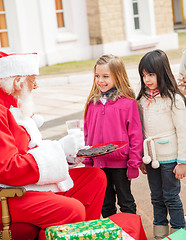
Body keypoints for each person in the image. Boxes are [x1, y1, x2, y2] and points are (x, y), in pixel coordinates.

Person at [0, 51, 107, 240]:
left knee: (95, 178)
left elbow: (30, 151)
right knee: (72, 210)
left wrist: (66, 157)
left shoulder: (15, 109)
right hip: (8, 193)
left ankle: (85, 236)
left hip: (24, 185)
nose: (35, 86)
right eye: (32, 81)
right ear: (17, 82)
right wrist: (59, 149)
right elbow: (8, 169)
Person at [83, 54, 143, 218]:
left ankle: (131, 233)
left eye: (105, 76)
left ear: (117, 76)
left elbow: (136, 136)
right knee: (105, 204)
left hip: (121, 164)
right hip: (99, 164)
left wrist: (133, 164)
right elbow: (87, 135)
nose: (100, 80)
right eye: (97, 76)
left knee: (126, 202)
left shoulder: (128, 103)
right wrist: (88, 160)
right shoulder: (92, 104)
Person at [137, 49, 186, 239]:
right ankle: (160, 234)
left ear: (162, 72)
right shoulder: (142, 100)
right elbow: (141, 131)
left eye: (151, 74)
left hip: (171, 158)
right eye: (143, 75)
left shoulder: (174, 100)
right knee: (156, 197)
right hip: (152, 158)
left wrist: (182, 161)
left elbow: (183, 131)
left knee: (171, 197)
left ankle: (179, 234)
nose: (147, 79)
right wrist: (142, 157)